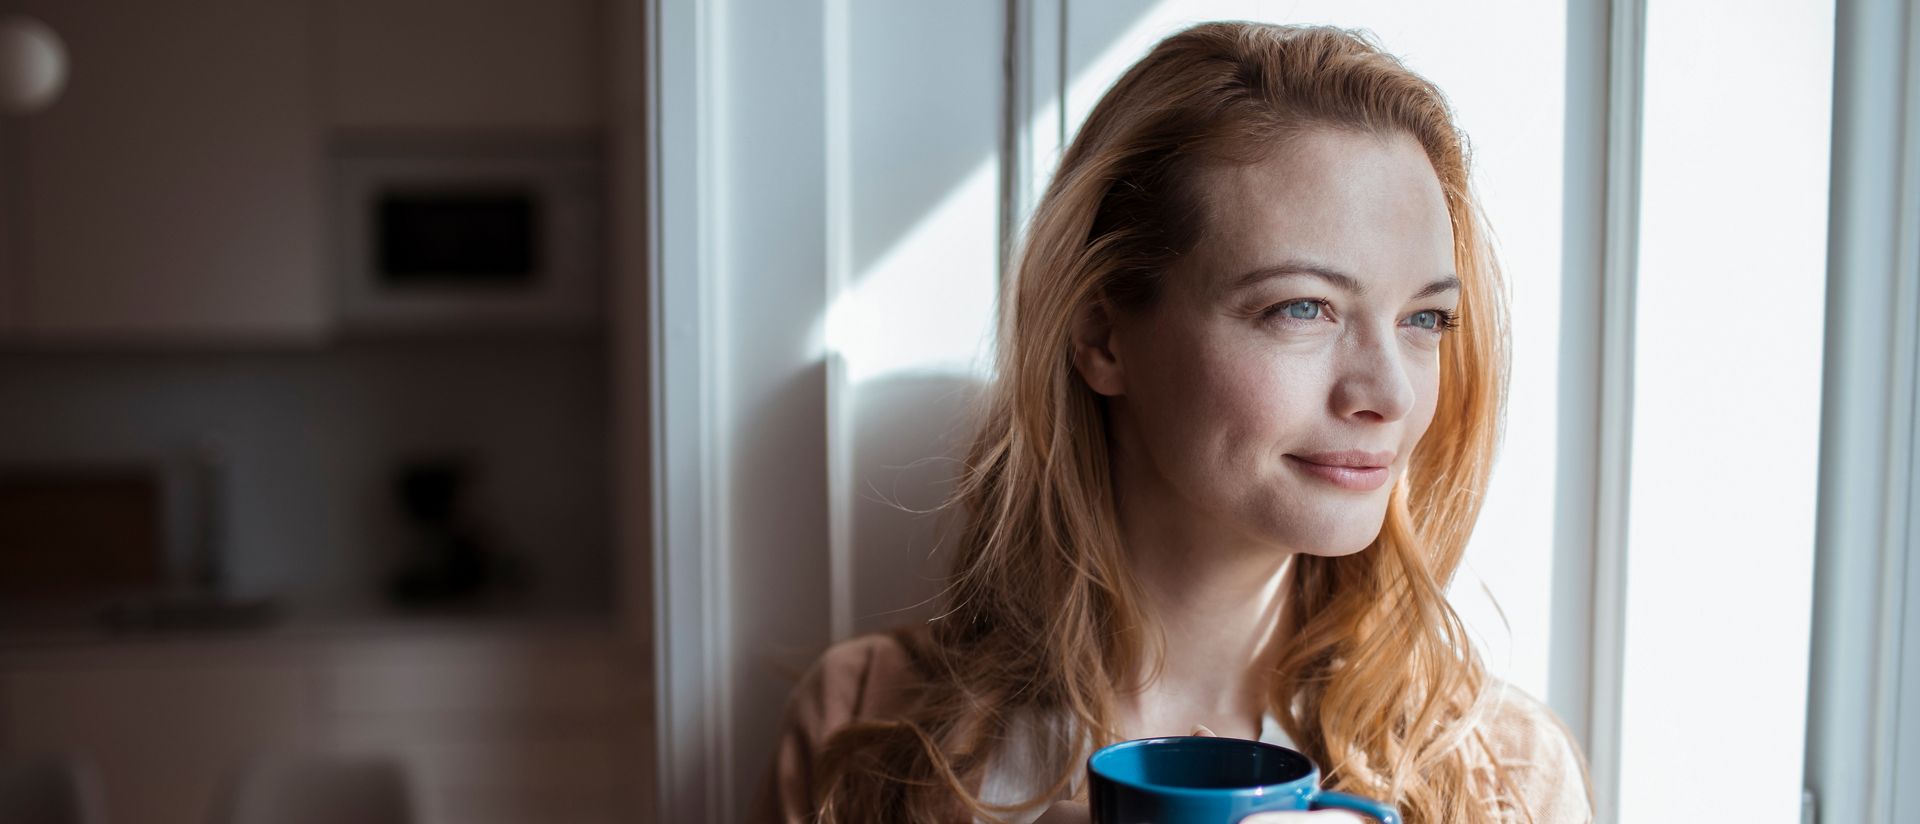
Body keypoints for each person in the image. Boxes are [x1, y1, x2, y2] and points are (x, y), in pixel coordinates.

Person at [755, 21, 1594, 824]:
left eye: (1426, 320)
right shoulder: (869, 730)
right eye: (1303, 308)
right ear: (1101, 334)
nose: (1391, 394)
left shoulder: (1503, 778)